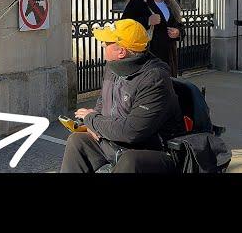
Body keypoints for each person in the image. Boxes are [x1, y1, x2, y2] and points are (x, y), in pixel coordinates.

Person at [59, 19, 185, 173]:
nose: (103, 45)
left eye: (107, 42)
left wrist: (92, 120)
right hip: (118, 143)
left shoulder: (154, 79)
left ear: (121, 52)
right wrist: (92, 125)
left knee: (130, 161)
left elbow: (132, 132)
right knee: (78, 141)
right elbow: (103, 100)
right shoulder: (114, 66)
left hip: (154, 150)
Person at [121, 0, 185, 77]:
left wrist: (178, 32)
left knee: (168, 85)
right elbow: (124, 24)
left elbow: (179, 25)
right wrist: (147, 21)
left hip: (169, 55)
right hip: (149, 53)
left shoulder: (170, 4)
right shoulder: (138, 1)